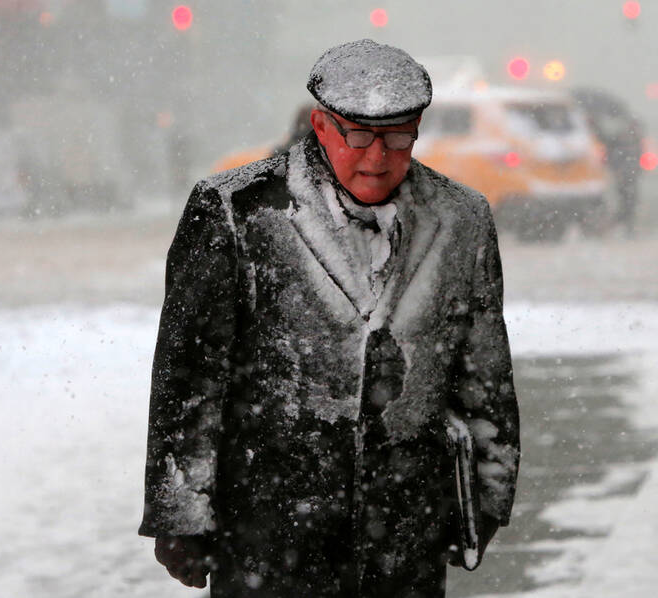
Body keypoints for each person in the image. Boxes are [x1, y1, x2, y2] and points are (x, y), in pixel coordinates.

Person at [139, 39, 520, 598]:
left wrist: (488, 496)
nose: (378, 156)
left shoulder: (461, 218)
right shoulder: (236, 211)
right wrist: (180, 512)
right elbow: (191, 376)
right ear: (320, 125)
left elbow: (484, 371)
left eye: (398, 135)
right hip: (268, 531)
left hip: (403, 531)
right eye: (358, 135)